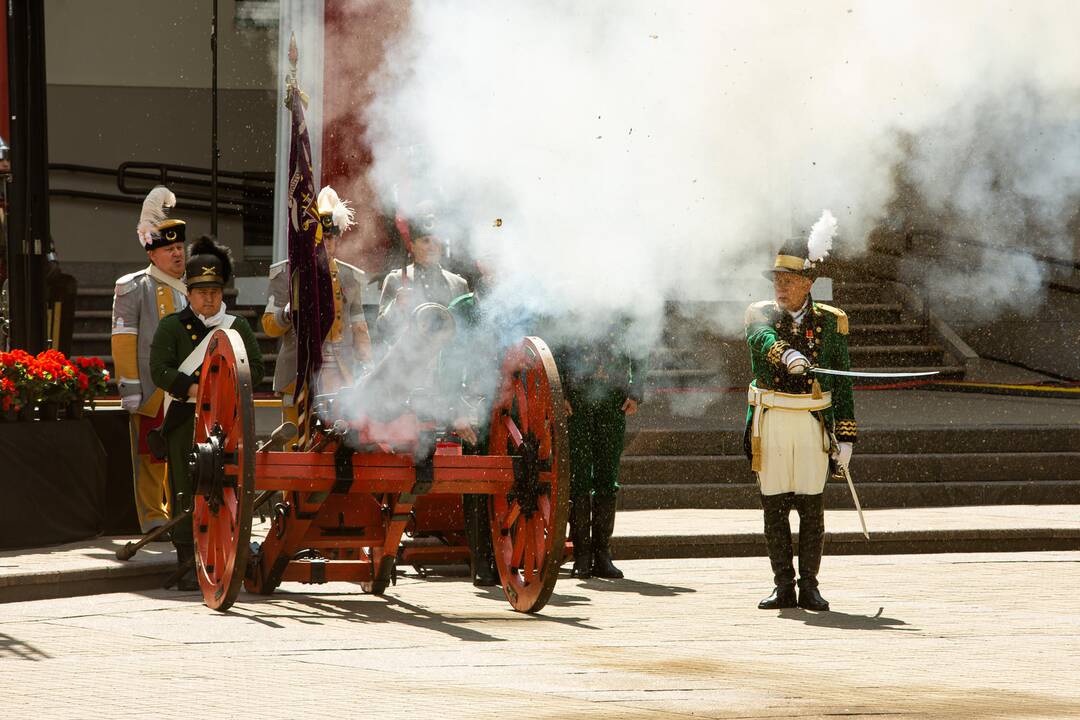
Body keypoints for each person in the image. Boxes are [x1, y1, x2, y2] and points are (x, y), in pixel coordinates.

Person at [744, 219, 856, 612]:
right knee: (774, 504)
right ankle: (783, 586)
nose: (780, 286)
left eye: (788, 279)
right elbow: (761, 339)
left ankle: (809, 585)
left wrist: (846, 437)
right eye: (777, 279)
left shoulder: (830, 321)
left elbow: (841, 383)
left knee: (811, 506)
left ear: (808, 283)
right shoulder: (761, 314)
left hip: (812, 422)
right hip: (773, 420)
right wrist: (785, 353)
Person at [150, 237, 264, 590]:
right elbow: (160, 369)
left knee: (225, 485)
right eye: (201, 291)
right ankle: (188, 559)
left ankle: (221, 555)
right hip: (186, 418)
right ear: (188, 291)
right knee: (186, 486)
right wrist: (194, 389)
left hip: (226, 421)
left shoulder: (237, 326)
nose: (209, 298)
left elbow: (256, 370)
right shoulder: (172, 326)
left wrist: (221, 390)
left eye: (214, 290)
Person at [262, 186, 373, 437]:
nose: (326, 244)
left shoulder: (350, 277)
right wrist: (288, 313)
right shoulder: (285, 274)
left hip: (342, 375)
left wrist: (368, 366)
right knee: (295, 445)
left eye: (331, 238)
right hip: (298, 372)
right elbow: (269, 326)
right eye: (321, 238)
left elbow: (359, 327)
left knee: (338, 444)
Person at [110, 186, 187, 533]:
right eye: (169, 249)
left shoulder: (194, 288)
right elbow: (124, 340)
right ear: (153, 254)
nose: (177, 254)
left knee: (186, 454)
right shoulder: (134, 287)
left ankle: (183, 512)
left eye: (180, 247)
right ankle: (154, 517)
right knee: (151, 455)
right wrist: (129, 386)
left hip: (188, 386)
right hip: (152, 385)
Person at [556, 320, 648, 580]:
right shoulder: (569, 306)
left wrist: (636, 390)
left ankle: (602, 553)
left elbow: (641, 343)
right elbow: (556, 346)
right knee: (580, 476)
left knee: (607, 477)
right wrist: (560, 392)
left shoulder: (623, 306)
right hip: (577, 401)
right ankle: (582, 554)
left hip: (612, 400)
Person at [376, 203, 469, 343]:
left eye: (436, 241)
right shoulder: (396, 279)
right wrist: (397, 305)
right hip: (409, 358)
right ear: (412, 246)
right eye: (425, 241)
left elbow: (467, 330)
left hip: (448, 359)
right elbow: (382, 329)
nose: (432, 246)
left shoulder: (458, 284)